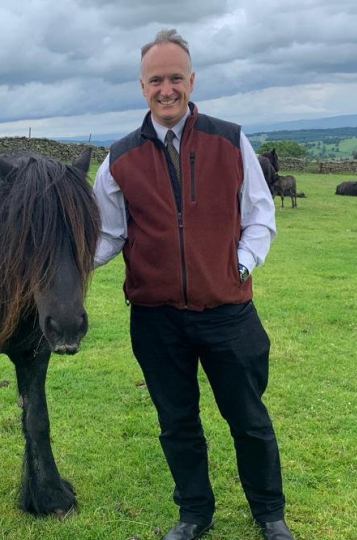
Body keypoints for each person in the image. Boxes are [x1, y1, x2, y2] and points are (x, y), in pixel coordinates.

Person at [93, 29, 295, 540]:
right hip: (156, 319)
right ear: (142, 86)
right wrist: (58, 264)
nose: (167, 89)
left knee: (249, 419)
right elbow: (108, 235)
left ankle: (270, 514)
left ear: (191, 81)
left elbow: (260, 214)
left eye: (175, 78)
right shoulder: (118, 160)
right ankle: (194, 514)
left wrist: (241, 266)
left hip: (228, 312)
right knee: (177, 423)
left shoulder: (230, 140)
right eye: (156, 80)